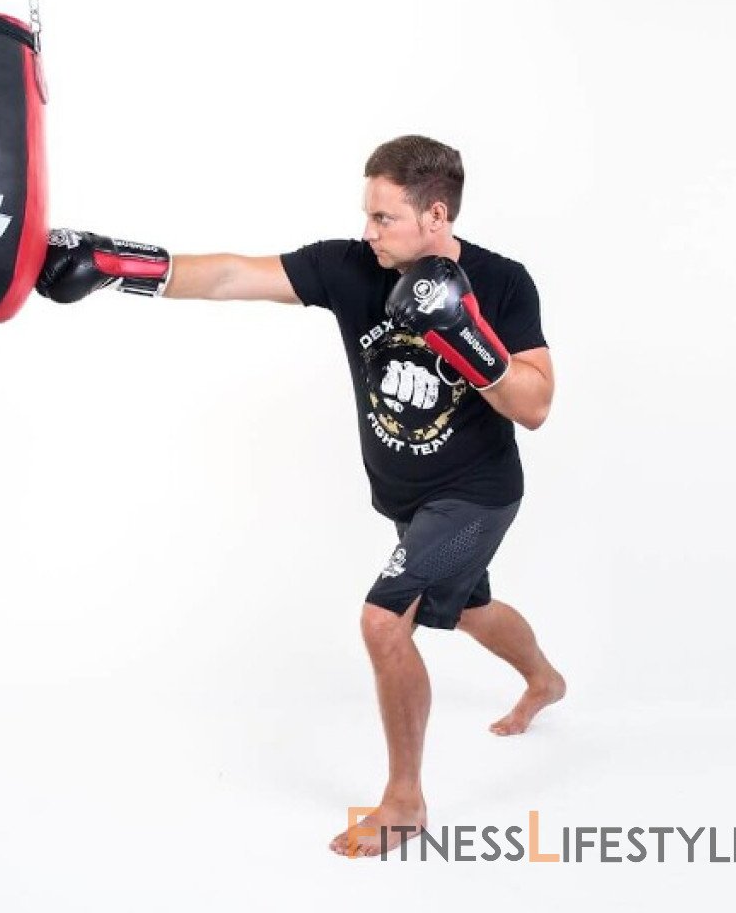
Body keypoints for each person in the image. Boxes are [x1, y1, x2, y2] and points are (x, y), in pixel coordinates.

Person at [37, 134, 566, 858]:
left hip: (477, 494)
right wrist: (117, 266)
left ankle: (404, 801)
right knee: (469, 608)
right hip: (406, 499)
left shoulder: (503, 283)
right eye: (367, 214)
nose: (368, 231)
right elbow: (231, 275)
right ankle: (544, 678)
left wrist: (467, 337)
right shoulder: (349, 267)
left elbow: (535, 406)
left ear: (436, 215)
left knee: (385, 621)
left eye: (383, 217)